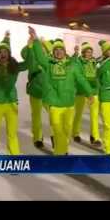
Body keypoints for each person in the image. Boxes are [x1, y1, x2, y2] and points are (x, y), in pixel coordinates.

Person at [29, 27, 94, 155]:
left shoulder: (72, 66)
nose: (59, 52)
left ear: (65, 51)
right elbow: (40, 56)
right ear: (53, 52)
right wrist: (36, 39)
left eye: (61, 50)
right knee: (58, 131)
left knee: (66, 131)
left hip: (69, 104)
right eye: (56, 50)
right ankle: (60, 155)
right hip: (54, 104)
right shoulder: (49, 65)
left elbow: (81, 80)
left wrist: (89, 93)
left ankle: (63, 151)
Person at [0, 40, 28, 155]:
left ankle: (15, 158)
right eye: (0, 52)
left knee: (12, 133)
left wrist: (30, 46)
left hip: (11, 103)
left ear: (9, 53)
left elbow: (29, 62)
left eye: (5, 51)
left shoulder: (14, 66)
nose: (2, 53)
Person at [20, 38, 53, 148]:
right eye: (40, 47)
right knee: (36, 116)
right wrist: (29, 44)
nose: (42, 49)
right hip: (35, 91)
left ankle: (55, 137)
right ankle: (38, 138)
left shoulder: (50, 60)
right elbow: (23, 53)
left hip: (48, 93)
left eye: (44, 47)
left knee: (54, 116)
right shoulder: (32, 58)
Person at [71, 42, 101, 146]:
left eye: (91, 52)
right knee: (78, 114)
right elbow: (72, 63)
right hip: (81, 92)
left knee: (94, 115)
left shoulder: (94, 61)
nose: (89, 53)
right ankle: (75, 133)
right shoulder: (79, 61)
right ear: (83, 52)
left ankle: (95, 136)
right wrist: (75, 53)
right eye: (87, 52)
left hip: (93, 91)